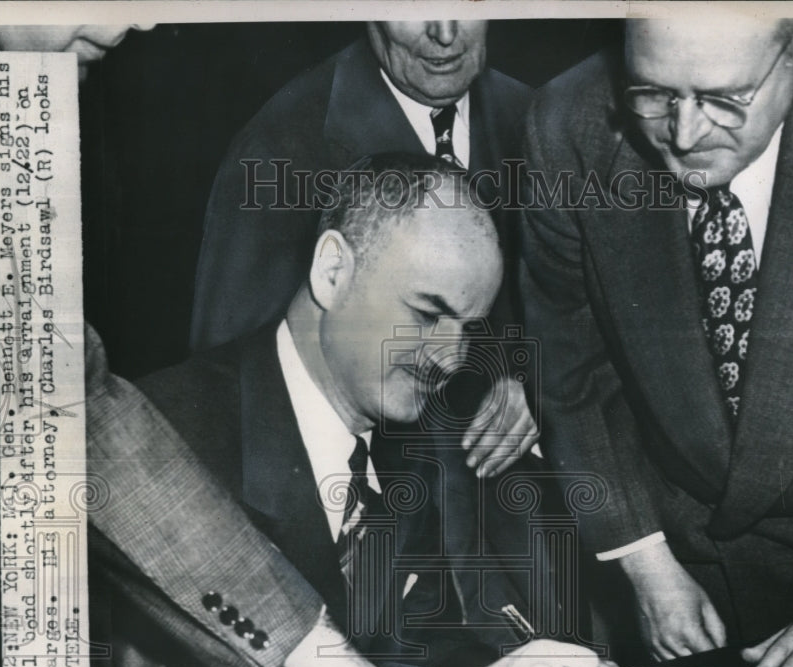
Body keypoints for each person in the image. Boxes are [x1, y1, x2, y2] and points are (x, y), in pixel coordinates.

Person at [93, 155, 622, 667]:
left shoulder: (419, 424)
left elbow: (422, 634)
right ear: (333, 270)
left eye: (468, 328)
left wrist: (540, 664)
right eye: (427, 314)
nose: (451, 357)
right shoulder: (164, 431)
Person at [520, 15, 793, 667]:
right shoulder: (567, 125)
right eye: (652, 93)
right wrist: (643, 559)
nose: (684, 137)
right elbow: (569, 370)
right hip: (685, 550)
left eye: (724, 99)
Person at [191, 21, 537, 479]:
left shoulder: (541, 118)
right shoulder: (278, 148)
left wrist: (540, 387)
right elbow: (230, 402)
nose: (446, 33)